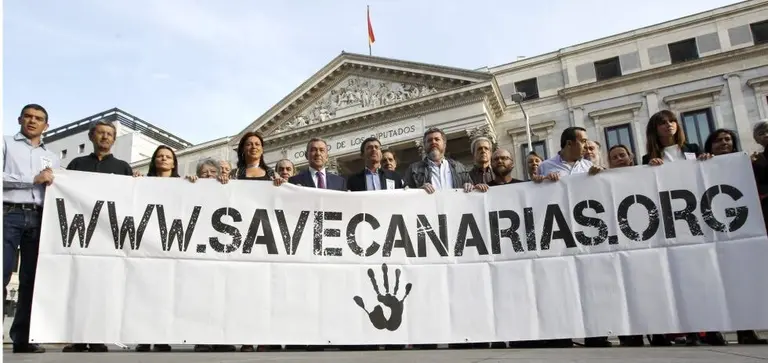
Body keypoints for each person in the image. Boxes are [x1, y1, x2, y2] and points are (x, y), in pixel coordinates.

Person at [642, 110, 714, 347]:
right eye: (662, 123)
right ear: (655, 129)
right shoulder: (648, 158)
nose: (669, 126)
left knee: (701, 277)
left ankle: (705, 330)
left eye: (671, 121)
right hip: (668, 224)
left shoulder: (692, 149)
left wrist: (706, 161)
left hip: (696, 221)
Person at [61, 120, 134, 353]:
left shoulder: (123, 167)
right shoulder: (76, 163)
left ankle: (98, 337)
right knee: (79, 285)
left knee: (104, 287)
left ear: (114, 140)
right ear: (92, 137)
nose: (105, 137)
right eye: (101, 133)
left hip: (109, 236)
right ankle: (78, 338)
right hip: (81, 234)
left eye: (109, 134)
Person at [3, 104, 58, 354]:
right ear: (19, 119)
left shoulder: (54, 157)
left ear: (46, 125)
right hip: (8, 214)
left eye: (39, 119)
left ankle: (22, 339)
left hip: (39, 219)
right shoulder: (5, 144)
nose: (32, 121)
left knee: (30, 280)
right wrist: (32, 179)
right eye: (28, 117)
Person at [134, 145, 179, 352]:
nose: (163, 159)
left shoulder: (183, 184)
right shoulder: (143, 182)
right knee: (145, 291)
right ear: (154, 161)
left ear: (173, 162)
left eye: (168, 157)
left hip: (172, 245)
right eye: (160, 156)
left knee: (166, 292)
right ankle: (143, 337)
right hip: (147, 242)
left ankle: (162, 337)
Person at [403, 127, 477, 194]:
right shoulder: (413, 170)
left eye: (437, 139)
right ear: (424, 146)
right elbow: (405, 195)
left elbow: (472, 194)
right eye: (429, 140)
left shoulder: (460, 168)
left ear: (444, 144)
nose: (433, 142)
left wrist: (470, 186)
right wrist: (419, 192)